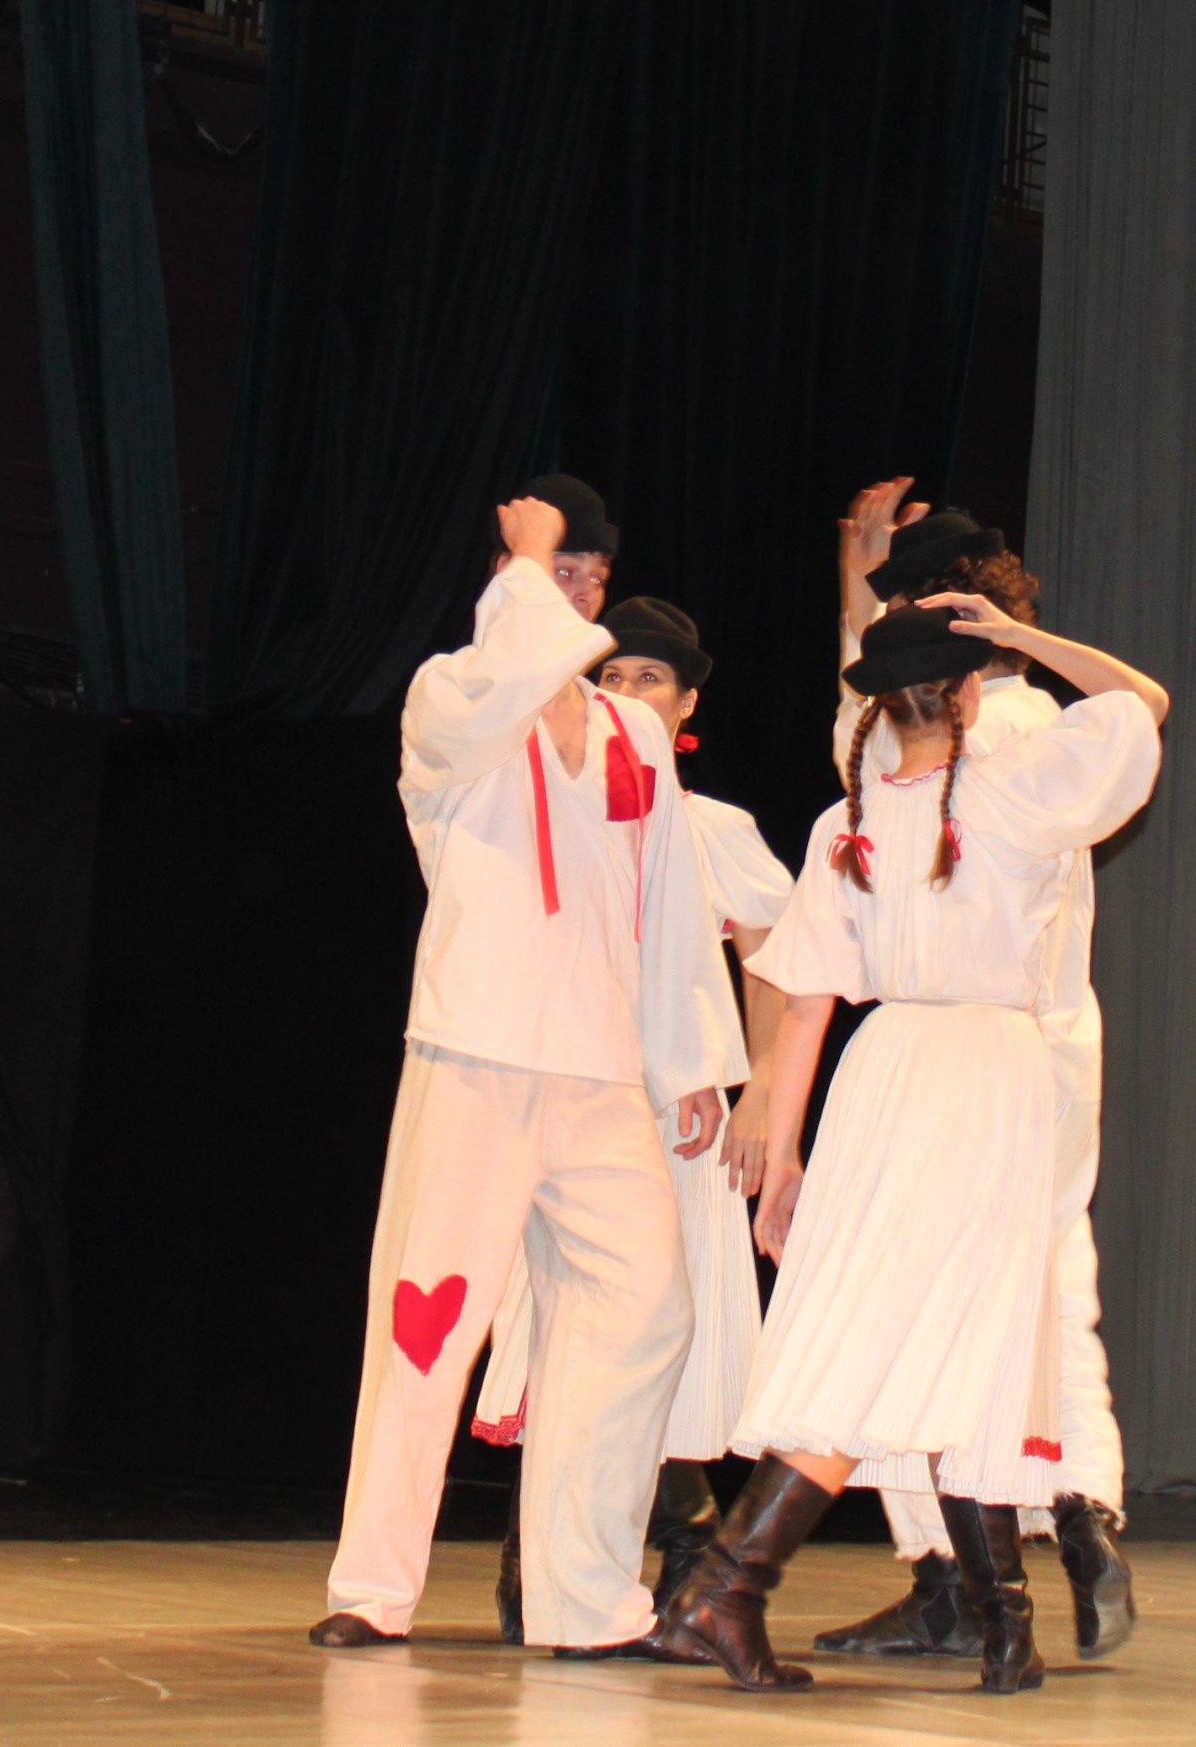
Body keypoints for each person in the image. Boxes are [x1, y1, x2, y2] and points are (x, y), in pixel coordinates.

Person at [657, 594, 1170, 1694]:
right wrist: (1022, 635)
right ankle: (740, 1589)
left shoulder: (845, 818)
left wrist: (783, 1153)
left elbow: (806, 1001)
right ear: (971, 693)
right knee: (962, 1335)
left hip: (885, 1073)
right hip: (985, 1073)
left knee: (910, 1331)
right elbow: (1142, 702)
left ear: (881, 708)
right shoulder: (1018, 789)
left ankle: (987, 1625)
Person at [314, 479, 702, 1654]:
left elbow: (667, 903)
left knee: (645, 1308)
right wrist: (525, 567)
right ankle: (372, 1588)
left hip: (599, 1068)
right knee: (425, 1329)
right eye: (552, 569)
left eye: (589, 574)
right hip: (476, 1051)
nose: (575, 592)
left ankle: (585, 1599)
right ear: (506, 582)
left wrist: (683, 1059)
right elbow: (508, 678)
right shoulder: (450, 697)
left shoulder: (635, 732)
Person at [812, 484, 1140, 1661]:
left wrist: (858, 593)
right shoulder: (1051, 723)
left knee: (912, 1301)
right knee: (1054, 1281)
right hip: (1050, 1040)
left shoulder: (928, 742)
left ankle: (947, 1571)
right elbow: (1137, 707)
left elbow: (857, 732)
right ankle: (1082, 1507)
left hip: (954, 1048)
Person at [471, 597, 797, 1640]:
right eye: (609, 677)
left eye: (648, 679)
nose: (625, 694)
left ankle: (687, 1552)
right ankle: (548, 1556)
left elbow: (777, 963)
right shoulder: (553, 810)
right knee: (559, 1317)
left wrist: (760, 1089)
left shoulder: (712, 828)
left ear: (687, 703)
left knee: (654, 1322)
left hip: (675, 1106)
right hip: (563, 1088)